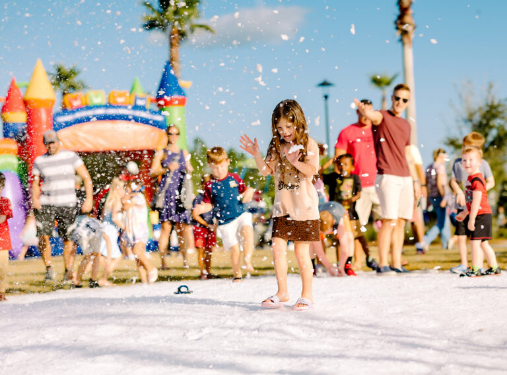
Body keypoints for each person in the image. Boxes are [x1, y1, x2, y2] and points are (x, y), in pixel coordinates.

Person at [240, 99, 320, 311]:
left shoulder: (309, 144)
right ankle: (282, 291)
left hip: (305, 208)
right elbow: (266, 171)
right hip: (282, 208)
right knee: (277, 247)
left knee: (302, 253)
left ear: (299, 122)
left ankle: (307, 294)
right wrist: (257, 155)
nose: (285, 131)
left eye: (289, 126)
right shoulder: (277, 145)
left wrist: (295, 162)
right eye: (280, 127)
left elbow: (312, 170)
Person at [354, 84, 420, 275]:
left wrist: (416, 182)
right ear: (392, 98)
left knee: (400, 222)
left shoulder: (407, 125)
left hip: (406, 177)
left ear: (408, 102)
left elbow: (408, 154)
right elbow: (374, 116)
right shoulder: (382, 116)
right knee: (389, 220)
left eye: (404, 100)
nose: (400, 102)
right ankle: (383, 264)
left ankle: (396, 263)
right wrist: (366, 110)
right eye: (397, 98)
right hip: (387, 176)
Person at [32, 130, 93, 283]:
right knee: (42, 235)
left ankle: (68, 270)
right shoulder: (39, 160)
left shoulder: (71, 157)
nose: (50, 145)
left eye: (52, 142)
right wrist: (34, 198)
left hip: (67, 203)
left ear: (58, 142)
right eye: (47, 143)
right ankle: (49, 268)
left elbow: (86, 177)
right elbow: (34, 183)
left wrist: (89, 200)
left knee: (68, 238)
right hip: (46, 202)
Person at [193, 147, 255, 282]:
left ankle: (248, 260)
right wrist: (203, 208)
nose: (219, 170)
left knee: (247, 230)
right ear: (209, 166)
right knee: (234, 249)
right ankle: (237, 275)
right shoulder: (210, 185)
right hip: (225, 222)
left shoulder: (235, 178)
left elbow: (245, 191)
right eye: (215, 168)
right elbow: (209, 204)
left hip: (240, 215)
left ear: (227, 162)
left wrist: (249, 191)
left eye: (221, 166)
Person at [324, 99, 381, 229]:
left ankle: (389, 250)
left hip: (380, 183)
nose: (366, 115)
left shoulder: (379, 130)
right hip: (359, 185)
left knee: (387, 221)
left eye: (369, 112)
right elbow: (339, 161)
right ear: (357, 112)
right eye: (362, 112)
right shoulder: (347, 132)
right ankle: (355, 250)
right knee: (357, 226)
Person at [322, 154, 378, 271]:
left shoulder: (355, 178)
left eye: (346, 164)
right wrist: (329, 163)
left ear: (352, 167)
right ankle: (341, 264)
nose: (342, 167)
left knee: (359, 237)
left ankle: (369, 258)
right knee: (339, 239)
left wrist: (351, 200)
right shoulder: (333, 178)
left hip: (351, 214)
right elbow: (318, 175)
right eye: (340, 164)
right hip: (337, 216)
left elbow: (358, 194)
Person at [449, 132, 495, 274]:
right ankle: (464, 264)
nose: (465, 148)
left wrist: (478, 193)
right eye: (464, 145)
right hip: (463, 207)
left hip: (477, 207)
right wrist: (460, 192)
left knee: (477, 239)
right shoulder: (458, 162)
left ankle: (478, 265)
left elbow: (491, 182)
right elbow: (453, 181)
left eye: (468, 146)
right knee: (461, 236)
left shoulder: (482, 163)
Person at [151, 124, 194, 270]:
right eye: (170, 133)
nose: (173, 136)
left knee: (182, 228)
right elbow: (152, 171)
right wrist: (165, 169)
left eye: (176, 134)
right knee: (166, 228)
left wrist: (189, 169)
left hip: (181, 194)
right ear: (166, 135)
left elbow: (189, 169)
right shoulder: (161, 152)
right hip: (167, 193)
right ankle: (163, 263)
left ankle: (185, 262)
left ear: (179, 135)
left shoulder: (184, 152)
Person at [455, 146, 500, 277]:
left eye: (471, 160)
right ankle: (494, 267)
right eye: (464, 160)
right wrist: (464, 213)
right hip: (480, 213)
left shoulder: (477, 180)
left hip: (481, 214)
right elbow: (470, 201)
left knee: (474, 242)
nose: (467, 163)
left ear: (480, 162)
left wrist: (472, 218)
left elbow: (476, 201)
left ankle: (475, 269)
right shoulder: (470, 179)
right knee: (483, 243)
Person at [122, 180, 158, 284]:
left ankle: (151, 269)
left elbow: (125, 206)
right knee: (138, 257)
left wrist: (127, 194)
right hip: (134, 232)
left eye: (128, 188)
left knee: (136, 251)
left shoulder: (138, 198)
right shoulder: (133, 198)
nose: (126, 190)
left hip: (140, 231)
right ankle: (144, 280)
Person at [419, 148, 451, 252]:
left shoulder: (429, 167)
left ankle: (446, 244)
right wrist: (445, 197)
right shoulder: (440, 167)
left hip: (432, 197)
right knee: (441, 222)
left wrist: (428, 198)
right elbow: (440, 183)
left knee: (444, 221)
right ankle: (425, 240)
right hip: (440, 197)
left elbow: (427, 184)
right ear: (440, 156)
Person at [316, 201, 356, 276]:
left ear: (333, 223)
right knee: (312, 242)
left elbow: (345, 249)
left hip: (341, 212)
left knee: (349, 238)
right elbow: (318, 249)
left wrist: (340, 266)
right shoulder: (317, 222)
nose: (325, 234)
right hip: (322, 209)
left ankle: (347, 266)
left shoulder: (340, 223)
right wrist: (329, 266)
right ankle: (313, 267)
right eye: (321, 232)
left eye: (326, 232)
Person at [98, 178, 126, 287]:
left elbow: (103, 217)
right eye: (123, 188)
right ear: (118, 188)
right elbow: (114, 218)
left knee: (103, 257)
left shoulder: (109, 200)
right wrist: (125, 228)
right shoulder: (116, 200)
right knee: (115, 256)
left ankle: (76, 275)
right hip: (110, 231)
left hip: (106, 229)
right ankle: (102, 278)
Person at [73, 211, 110, 288]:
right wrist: (109, 258)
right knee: (96, 255)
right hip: (90, 233)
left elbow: (73, 248)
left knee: (87, 256)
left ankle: (78, 282)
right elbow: (107, 239)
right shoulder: (98, 224)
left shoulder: (83, 221)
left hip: (82, 232)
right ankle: (93, 280)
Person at [192, 174, 217, 279]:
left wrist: (215, 224)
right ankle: (202, 272)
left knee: (209, 250)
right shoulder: (199, 198)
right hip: (200, 227)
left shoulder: (214, 198)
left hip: (210, 227)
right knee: (201, 250)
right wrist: (207, 225)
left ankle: (208, 271)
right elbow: (195, 215)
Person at [0, 172, 13, 301]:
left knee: (2, 268)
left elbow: (2, 218)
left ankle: (1, 292)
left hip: (2, 242)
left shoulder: (4, 202)